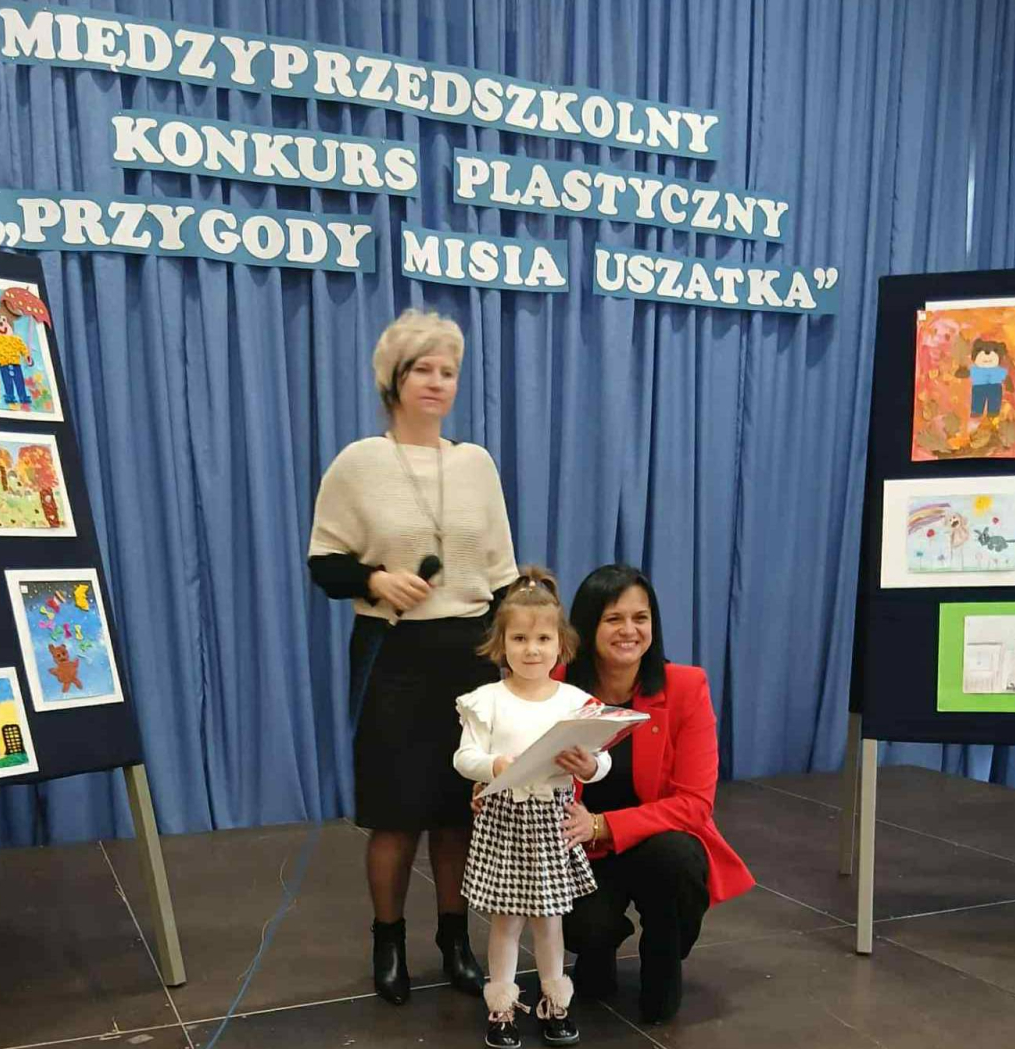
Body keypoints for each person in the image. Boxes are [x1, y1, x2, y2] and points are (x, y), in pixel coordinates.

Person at [308, 308, 518, 1006]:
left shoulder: (476, 464)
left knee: (458, 810)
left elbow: (502, 574)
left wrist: (519, 657)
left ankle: (455, 941)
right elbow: (324, 563)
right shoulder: (358, 462)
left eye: (447, 371)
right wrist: (374, 579)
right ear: (393, 380)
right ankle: (388, 940)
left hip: (470, 651)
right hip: (393, 654)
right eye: (422, 369)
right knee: (396, 812)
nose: (436, 381)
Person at [557, 564, 755, 1024]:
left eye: (640, 618)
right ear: (587, 626)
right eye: (613, 618)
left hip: (652, 843)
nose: (629, 630)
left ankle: (662, 958)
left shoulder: (685, 686)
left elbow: (695, 804)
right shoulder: (556, 683)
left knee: (677, 857)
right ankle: (598, 945)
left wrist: (603, 825)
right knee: (585, 932)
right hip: (578, 849)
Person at [455, 568, 612, 1049]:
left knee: (550, 920)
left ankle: (554, 1002)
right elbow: (463, 757)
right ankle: (501, 1007)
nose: (531, 649)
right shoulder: (486, 701)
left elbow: (601, 757)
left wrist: (590, 766)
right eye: (519, 638)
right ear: (500, 644)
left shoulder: (576, 701)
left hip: (551, 823)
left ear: (561, 643)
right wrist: (494, 764)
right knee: (506, 920)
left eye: (543, 638)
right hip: (505, 822)